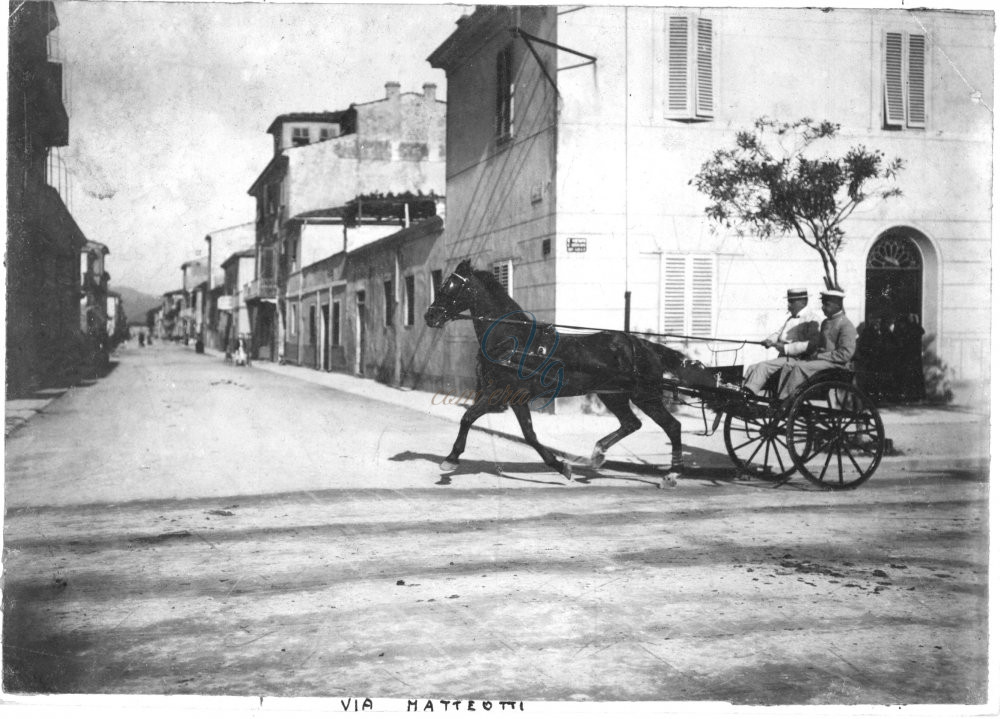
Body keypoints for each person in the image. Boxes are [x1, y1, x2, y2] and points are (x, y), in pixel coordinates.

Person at [774, 289, 858, 400]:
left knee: (800, 367)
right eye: (822, 304)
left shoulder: (846, 325)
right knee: (789, 365)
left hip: (837, 365)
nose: (823, 307)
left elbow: (845, 355)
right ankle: (780, 397)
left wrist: (819, 356)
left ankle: (785, 400)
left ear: (838, 305)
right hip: (823, 361)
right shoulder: (825, 322)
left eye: (826, 304)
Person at [743, 288, 822, 397]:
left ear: (803, 302)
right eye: (788, 301)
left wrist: (785, 348)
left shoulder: (813, 320)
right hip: (783, 358)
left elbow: (810, 345)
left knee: (763, 367)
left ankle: (746, 396)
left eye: (791, 302)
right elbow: (779, 333)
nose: (788, 305)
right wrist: (770, 340)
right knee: (752, 367)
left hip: (797, 359)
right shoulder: (790, 319)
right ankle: (742, 393)